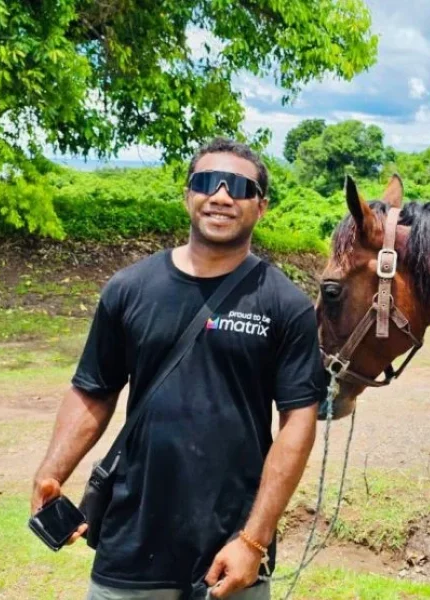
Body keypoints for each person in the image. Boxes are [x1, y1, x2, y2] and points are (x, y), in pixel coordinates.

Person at [31, 138, 326, 600]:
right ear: (189, 194)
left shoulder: (285, 305)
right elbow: (93, 390)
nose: (222, 196)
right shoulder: (129, 289)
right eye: (207, 182)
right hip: (130, 536)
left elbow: (298, 423)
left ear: (261, 206)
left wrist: (254, 540)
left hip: (230, 546)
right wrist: (51, 471)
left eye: (240, 187)